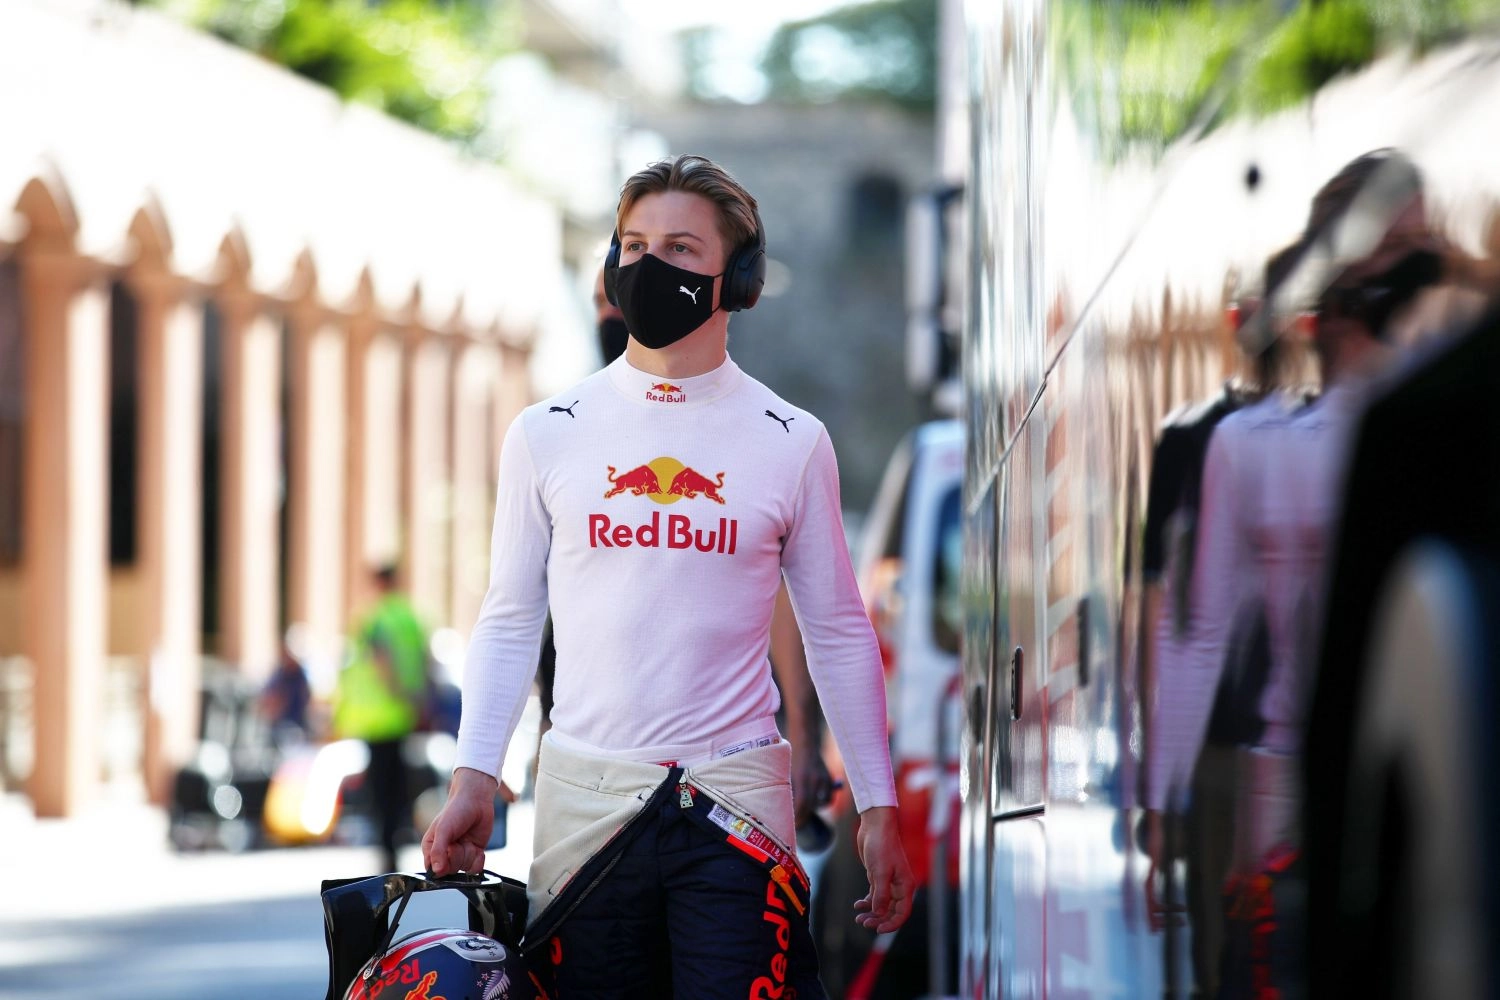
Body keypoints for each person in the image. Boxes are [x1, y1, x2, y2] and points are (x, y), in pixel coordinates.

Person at [423, 153, 913, 997]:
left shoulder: (791, 439)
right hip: (586, 811)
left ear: (740, 276)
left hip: (738, 813)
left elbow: (836, 626)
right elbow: (509, 616)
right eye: (634, 244)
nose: (651, 266)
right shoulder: (547, 432)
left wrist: (877, 804)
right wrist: (475, 773)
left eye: (682, 248)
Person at [1154, 148, 1446, 994]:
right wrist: (1168, 799)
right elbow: (1200, 624)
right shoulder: (1252, 445)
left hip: (1419, 773)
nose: (1413, 268)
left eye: (1421, 245)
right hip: (1280, 773)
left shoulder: (1446, 413)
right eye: (1394, 246)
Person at [1140, 242, 1301, 994]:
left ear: (1235, 322)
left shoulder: (1191, 436)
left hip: (1220, 750)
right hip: (1268, 747)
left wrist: (1159, 790)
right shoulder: (1351, 423)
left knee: (1226, 961)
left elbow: (1166, 622)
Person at [333, 564, 429, 874]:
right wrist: (417, 701)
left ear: (378, 582)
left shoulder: (374, 618)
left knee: (382, 793)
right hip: (403, 716)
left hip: (378, 720)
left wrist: (397, 691)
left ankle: (388, 851)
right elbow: (424, 661)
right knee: (399, 788)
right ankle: (397, 843)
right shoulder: (410, 617)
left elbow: (381, 660)